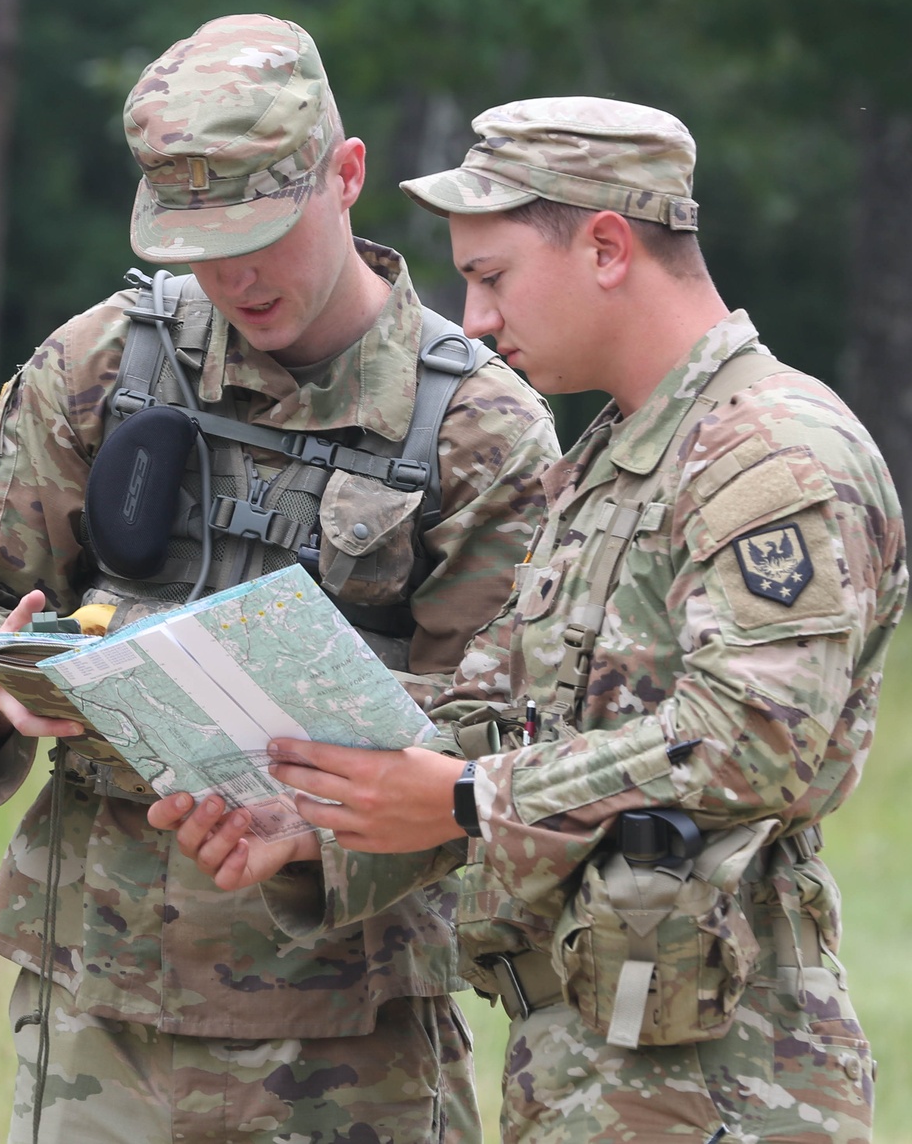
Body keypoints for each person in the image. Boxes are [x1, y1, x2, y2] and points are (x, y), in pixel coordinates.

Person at [160, 97, 907, 1143]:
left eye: (492, 275)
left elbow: (761, 740)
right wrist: (318, 808)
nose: (473, 319)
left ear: (606, 247)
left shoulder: (768, 451)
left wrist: (467, 797)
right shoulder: (610, 460)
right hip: (592, 1060)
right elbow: (513, 716)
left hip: (730, 1082)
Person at [0, 15, 560, 1144]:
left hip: (348, 1032)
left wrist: (330, 818)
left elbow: (512, 740)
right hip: (93, 1008)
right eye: (197, 241)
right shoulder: (101, 364)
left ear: (346, 176)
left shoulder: (480, 429)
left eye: (263, 230)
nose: (234, 274)